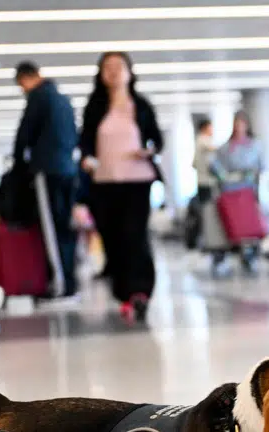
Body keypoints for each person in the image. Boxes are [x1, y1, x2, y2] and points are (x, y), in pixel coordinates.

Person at [79, 51, 164, 321]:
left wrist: (148, 150)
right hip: (104, 181)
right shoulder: (95, 107)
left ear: (129, 72)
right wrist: (86, 159)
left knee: (134, 235)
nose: (113, 72)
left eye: (119, 67)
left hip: (137, 179)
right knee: (112, 237)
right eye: (107, 68)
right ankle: (123, 291)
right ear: (101, 74)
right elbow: (85, 142)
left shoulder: (141, 105)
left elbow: (156, 139)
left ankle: (140, 292)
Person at [13, 62, 81, 297]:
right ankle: (69, 280)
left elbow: (24, 134)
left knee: (51, 229)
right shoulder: (63, 100)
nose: (23, 89)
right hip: (67, 170)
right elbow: (75, 136)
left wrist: (18, 166)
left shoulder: (38, 98)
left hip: (47, 170)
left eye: (22, 84)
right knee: (64, 226)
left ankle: (61, 285)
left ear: (27, 78)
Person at [216, 111, 263, 188]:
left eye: (242, 125)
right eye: (237, 125)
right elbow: (219, 166)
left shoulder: (255, 145)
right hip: (230, 187)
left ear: (247, 126)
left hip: (250, 187)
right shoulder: (226, 147)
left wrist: (253, 174)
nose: (239, 128)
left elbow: (261, 166)